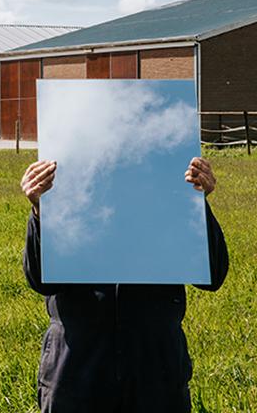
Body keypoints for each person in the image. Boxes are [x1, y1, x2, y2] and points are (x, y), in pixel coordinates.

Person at [19, 157, 229, 411]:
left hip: (154, 372)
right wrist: (41, 211)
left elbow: (213, 276)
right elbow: (41, 281)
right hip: (75, 370)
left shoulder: (168, 188)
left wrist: (196, 202)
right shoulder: (66, 179)